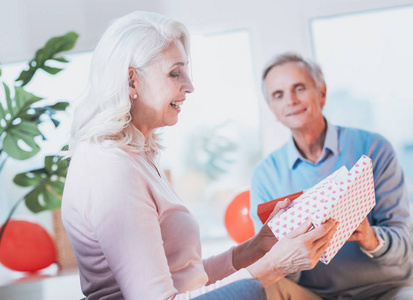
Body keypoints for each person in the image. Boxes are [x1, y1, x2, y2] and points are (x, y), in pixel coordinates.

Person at [61, 12, 339, 300]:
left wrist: (257, 247)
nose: (190, 86)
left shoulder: (133, 158)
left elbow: (185, 276)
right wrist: (275, 266)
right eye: (174, 73)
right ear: (131, 81)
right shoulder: (112, 169)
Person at [249, 53, 413, 300]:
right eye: (278, 95)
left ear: (321, 93)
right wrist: (288, 251)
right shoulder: (265, 175)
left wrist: (370, 238)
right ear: (272, 108)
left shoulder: (375, 148)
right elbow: (269, 261)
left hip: (387, 291)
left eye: (299, 88)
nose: (290, 100)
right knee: (258, 290)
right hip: (313, 295)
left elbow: (404, 245)